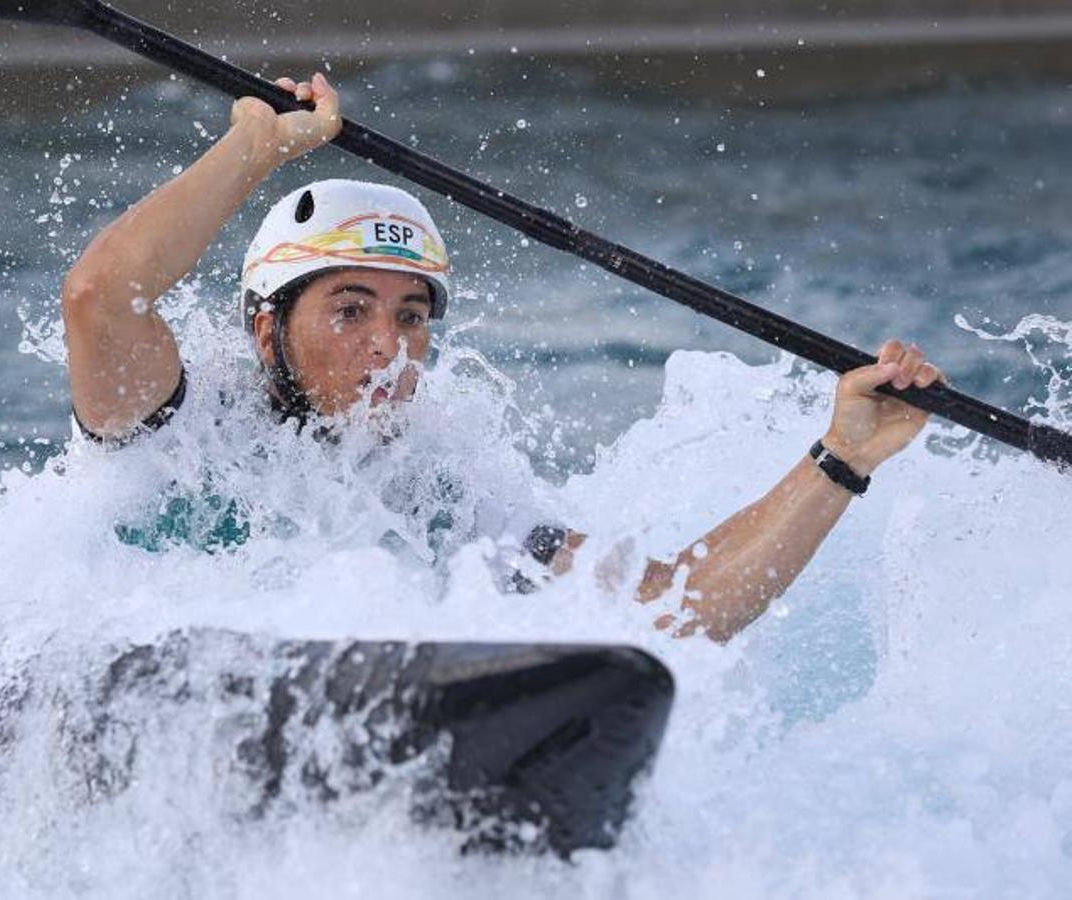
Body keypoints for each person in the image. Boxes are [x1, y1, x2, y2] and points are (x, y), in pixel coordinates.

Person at [61, 72, 944, 643]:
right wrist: (254, 149)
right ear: (265, 331)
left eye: (413, 316)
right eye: (349, 309)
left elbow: (676, 606)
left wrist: (843, 455)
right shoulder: (176, 422)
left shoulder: (444, 489)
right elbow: (101, 298)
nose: (388, 345)